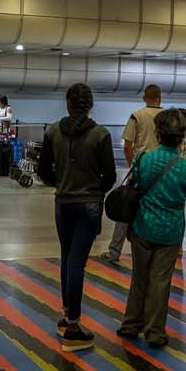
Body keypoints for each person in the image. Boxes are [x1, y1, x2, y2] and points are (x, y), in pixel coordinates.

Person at [37, 83, 117, 351]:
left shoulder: (52, 131)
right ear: (90, 104)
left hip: (63, 203)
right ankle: (73, 326)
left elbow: (43, 171)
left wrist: (61, 183)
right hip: (89, 203)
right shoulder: (101, 135)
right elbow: (110, 176)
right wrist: (94, 190)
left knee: (66, 258)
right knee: (77, 263)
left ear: (68, 104)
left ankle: (66, 315)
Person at [118, 109, 186, 349]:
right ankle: (154, 331)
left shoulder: (143, 159)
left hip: (143, 226)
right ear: (183, 136)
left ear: (157, 132)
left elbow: (135, 184)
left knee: (139, 278)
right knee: (161, 281)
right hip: (171, 230)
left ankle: (131, 324)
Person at [99, 84, 163, 265]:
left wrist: (132, 166)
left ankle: (114, 252)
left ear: (144, 98)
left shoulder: (137, 115)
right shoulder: (167, 117)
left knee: (126, 208)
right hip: (161, 172)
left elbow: (127, 145)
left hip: (140, 171)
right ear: (160, 98)